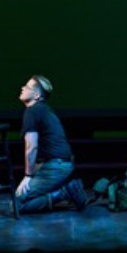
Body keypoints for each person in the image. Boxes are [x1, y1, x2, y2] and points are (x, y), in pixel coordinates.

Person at [15, 74, 88, 213]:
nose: (22, 88)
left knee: (17, 204)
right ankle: (65, 190)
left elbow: (31, 147)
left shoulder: (32, 111)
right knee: (21, 198)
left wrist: (28, 176)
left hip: (56, 166)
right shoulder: (43, 109)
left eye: (27, 86)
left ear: (36, 95)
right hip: (59, 164)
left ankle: (64, 192)